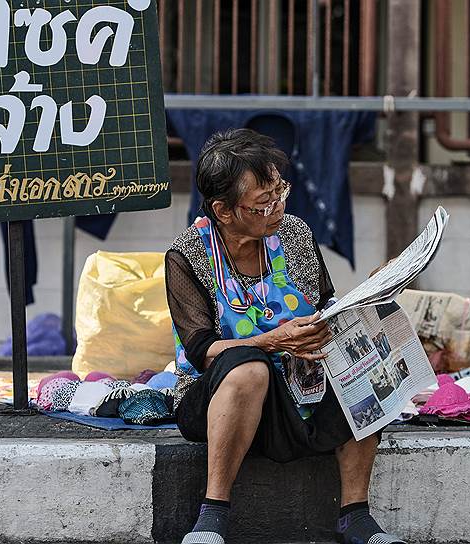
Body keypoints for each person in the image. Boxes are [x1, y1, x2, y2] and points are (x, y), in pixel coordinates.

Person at [165, 128, 406, 544]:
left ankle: (356, 516)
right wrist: (271, 341)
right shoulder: (187, 255)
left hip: (301, 386)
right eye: (264, 202)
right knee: (248, 368)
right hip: (219, 397)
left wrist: (368, 299)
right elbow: (202, 350)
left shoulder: (294, 234)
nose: (278, 207)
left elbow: (326, 307)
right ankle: (213, 515)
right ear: (223, 210)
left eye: (280, 192)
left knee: (361, 361)